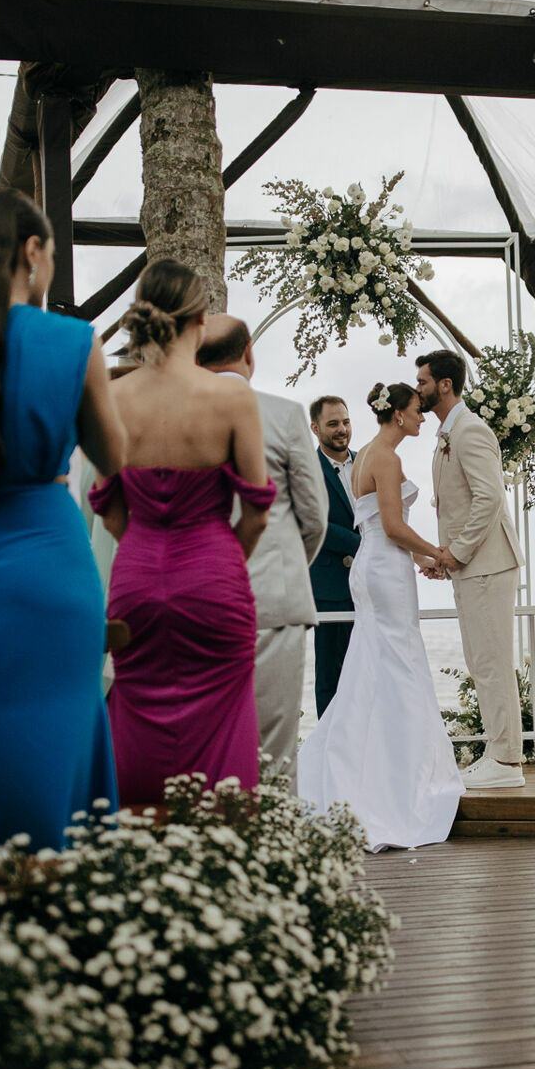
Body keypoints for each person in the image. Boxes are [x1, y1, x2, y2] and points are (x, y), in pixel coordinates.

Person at [0, 191, 127, 848]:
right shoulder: (71, 340)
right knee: (58, 732)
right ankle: (62, 893)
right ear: (32, 252)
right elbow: (112, 454)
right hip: (49, 559)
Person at [91, 260, 274, 807]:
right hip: (214, 578)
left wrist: (148, 550)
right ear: (198, 319)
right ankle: (221, 855)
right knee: (224, 725)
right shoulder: (232, 397)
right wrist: (218, 557)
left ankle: (139, 853)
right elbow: (257, 510)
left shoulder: (115, 398)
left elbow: (108, 508)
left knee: (138, 714)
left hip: (137, 580)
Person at [298, 382, 463, 849]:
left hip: (373, 567)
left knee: (373, 665)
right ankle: (397, 774)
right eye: (416, 411)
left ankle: (360, 762)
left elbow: (372, 525)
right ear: (397, 415)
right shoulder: (387, 458)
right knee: (400, 661)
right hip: (384, 568)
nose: (422, 418)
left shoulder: (365, 454)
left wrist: (417, 559)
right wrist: (437, 554)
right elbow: (392, 525)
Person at [197, 314, 324, 789]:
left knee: (208, 744)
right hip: (274, 598)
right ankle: (274, 855)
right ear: (248, 352)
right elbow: (314, 517)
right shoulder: (283, 413)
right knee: (273, 750)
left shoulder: (178, 415)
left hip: (200, 599)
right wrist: (288, 569)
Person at [414, 350, 526, 788]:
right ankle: (499, 754)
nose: (418, 387)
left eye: (423, 381)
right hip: (471, 564)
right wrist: (448, 559)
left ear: (444, 384)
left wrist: (456, 552)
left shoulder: (470, 430)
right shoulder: (448, 433)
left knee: (492, 661)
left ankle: (506, 762)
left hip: (488, 564)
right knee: (482, 661)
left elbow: (489, 498)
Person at [308, 395, 359, 716]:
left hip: (370, 581)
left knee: (368, 667)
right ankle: (329, 748)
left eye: (345, 421)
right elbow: (314, 525)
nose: (341, 430)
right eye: (332, 424)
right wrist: (366, 545)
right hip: (329, 585)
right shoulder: (306, 469)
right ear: (315, 428)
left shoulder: (367, 460)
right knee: (330, 673)